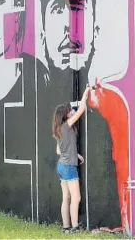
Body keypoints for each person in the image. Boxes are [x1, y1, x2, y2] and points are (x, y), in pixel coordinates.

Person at [52, 85, 90, 234]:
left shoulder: (59, 129)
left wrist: (76, 155)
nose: (72, 111)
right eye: (70, 110)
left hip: (61, 166)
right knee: (76, 198)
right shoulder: (67, 126)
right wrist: (86, 91)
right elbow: (81, 110)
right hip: (68, 167)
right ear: (67, 115)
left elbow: (58, 151)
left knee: (66, 197)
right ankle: (74, 228)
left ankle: (66, 228)